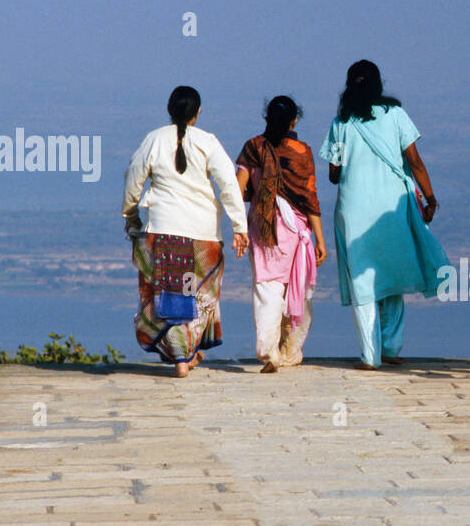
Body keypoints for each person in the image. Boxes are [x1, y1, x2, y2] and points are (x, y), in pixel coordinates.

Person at [319, 60, 449, 369]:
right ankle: (391, 348)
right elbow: (415, 161)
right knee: (390, 275)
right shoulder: (396, 114)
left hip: (354, 209)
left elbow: (333, 175)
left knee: (362, 279)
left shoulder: (341, 122)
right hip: (392, 208)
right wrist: (430, 198)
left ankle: (370, 355)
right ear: (379, 83)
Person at [122, 85, 248, 378]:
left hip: (162, 232)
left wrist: (131, 217)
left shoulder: (153, 140)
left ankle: (179, 356)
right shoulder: (208, 142)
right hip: (202, 234)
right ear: (198, 112)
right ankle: (185, 355)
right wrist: (239, 226)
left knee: (164, 293)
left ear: (169, 110)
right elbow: (229, 184)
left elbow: (133, 179)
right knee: (199, 295)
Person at [234, 96, 327, 373]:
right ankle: (291, 350)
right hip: (296, 229)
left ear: (266, 119)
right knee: (298, 288)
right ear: (294, 121)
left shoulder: (253, 147)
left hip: (264, 227)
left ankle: (268, 350)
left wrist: (239, 227)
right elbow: (310, 197)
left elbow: (237, 191)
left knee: (268, 287)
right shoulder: (302, 152)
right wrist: (320, 240)